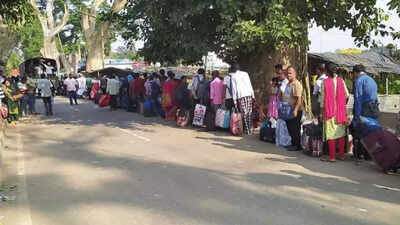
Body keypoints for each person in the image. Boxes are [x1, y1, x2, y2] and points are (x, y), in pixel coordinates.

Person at [320, 64, 349, 162]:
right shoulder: (341, 80)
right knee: (340, 133)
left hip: (329, 110)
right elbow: (347, 95)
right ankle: (341, 155)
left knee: (330, 133)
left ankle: (332, 157)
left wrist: (321, 112)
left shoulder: (324, 82)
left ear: (327, 71)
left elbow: (322, 99)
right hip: (340, 111)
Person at [282, 67, 303, 151]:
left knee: (295, 128)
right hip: (288, 109)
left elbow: (299, 99)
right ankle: (293, 143)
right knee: (290, 127)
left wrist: (295, 110)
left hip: (295, 110)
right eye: (287, 73)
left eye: (290, 73)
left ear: (295, 74)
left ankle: (297, 146)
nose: (288, 75)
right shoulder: (288, 83)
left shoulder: (296, 84)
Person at [231, 64, 255, 135]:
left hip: (241, 96)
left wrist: (235, 100)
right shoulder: (245, 74)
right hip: (249, 95)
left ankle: (247, 130)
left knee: (244, 113)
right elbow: (250, 84)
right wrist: (253, 96)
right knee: (249, 112)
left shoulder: (233, 76)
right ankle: (250, 129)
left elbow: (234, 90)